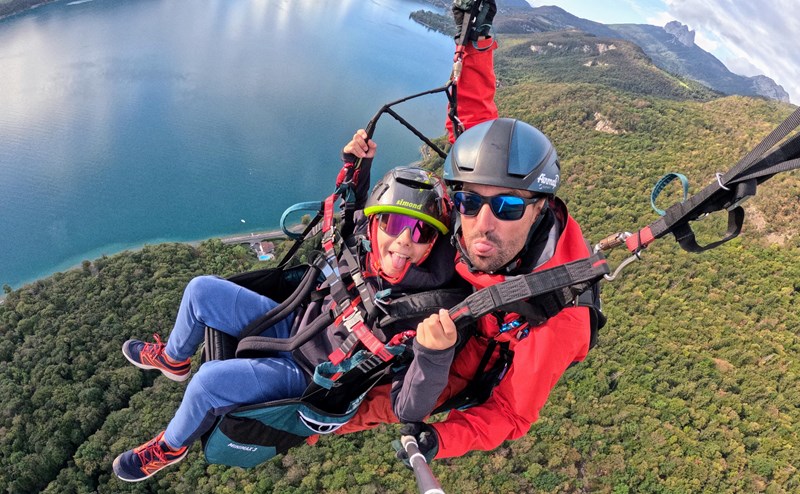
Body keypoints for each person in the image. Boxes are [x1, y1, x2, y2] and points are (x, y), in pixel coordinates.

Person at [339, 0, 601, 462]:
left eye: (505, 207)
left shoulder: (557, 317)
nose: (483, 224)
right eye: (469, 201)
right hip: (466, 291)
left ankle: (309, 423)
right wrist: (474, 39)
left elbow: (512, 413)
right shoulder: (494, 186)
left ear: (540, 209)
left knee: (367, 401)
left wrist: (440, 440)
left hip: (485, 336)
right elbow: (475, 119)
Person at [111, 136, 460, 482]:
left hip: (308, 376)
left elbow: (408, 406)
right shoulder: (367, 247)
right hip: (292, 323)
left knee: (207, 385)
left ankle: (171, 446)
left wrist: (434, 355)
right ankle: (174, 359)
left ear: (433, 244)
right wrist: (360, 164)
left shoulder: (425, 308)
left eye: (421, 232)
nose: (403, 241)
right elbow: (352, 212)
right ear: (375, 226)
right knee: (201, 290)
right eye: (394, 224)